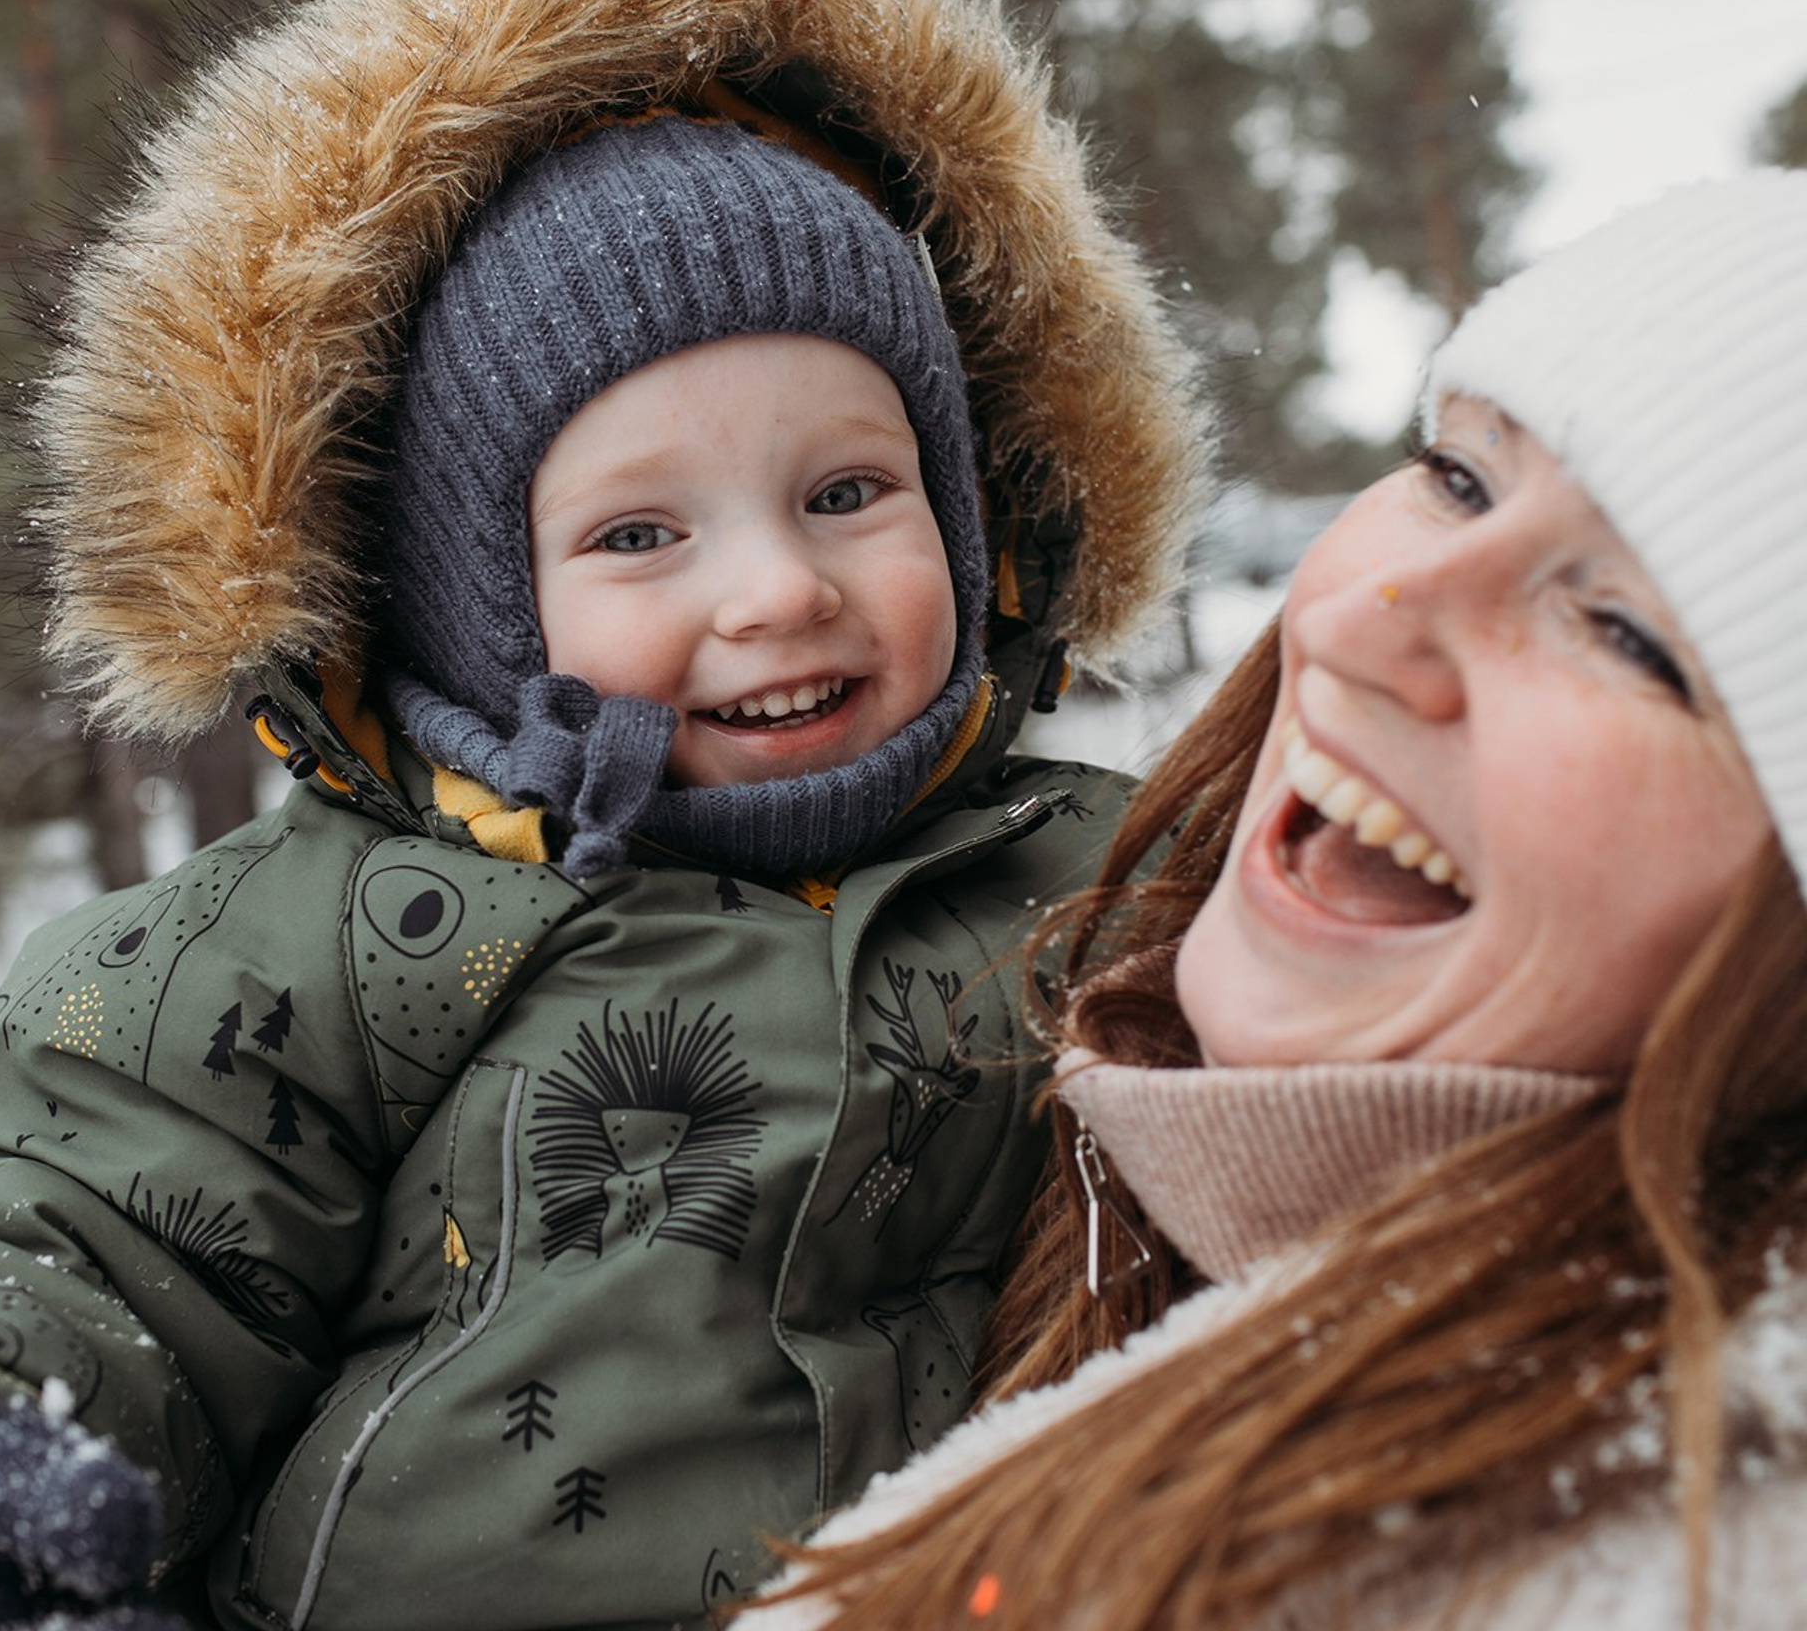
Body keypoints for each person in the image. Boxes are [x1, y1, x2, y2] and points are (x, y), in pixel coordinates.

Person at [0, 0, 1210, 1631]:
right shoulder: (339, 931)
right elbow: (104, 1221)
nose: (773, 593)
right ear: (475, 608)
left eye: (847, 491)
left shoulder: (1113, 875)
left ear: (975, 525)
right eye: (638, 535)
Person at [750, 171, 1807, 1631]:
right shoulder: (1089, 1179)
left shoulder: (1657, 1565)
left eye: (1626, 634)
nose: (1364, 625)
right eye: (1459, 478)